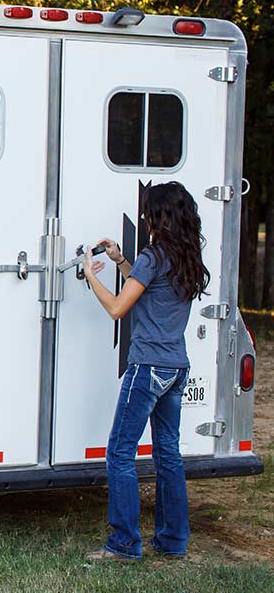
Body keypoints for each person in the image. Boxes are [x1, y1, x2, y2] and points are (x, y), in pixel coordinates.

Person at [81, 182, 211, 562]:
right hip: (176, 367)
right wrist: (122, 261)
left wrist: (92, 275)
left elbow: (119, 308)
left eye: (150, 213)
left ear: (161, 216)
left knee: (119, 453)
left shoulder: (154, 256)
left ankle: (124, 544)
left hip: (148, 366)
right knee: (167, 453)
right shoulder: (187, 256)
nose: (145, 219)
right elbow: (148, 291)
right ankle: (173, 541)